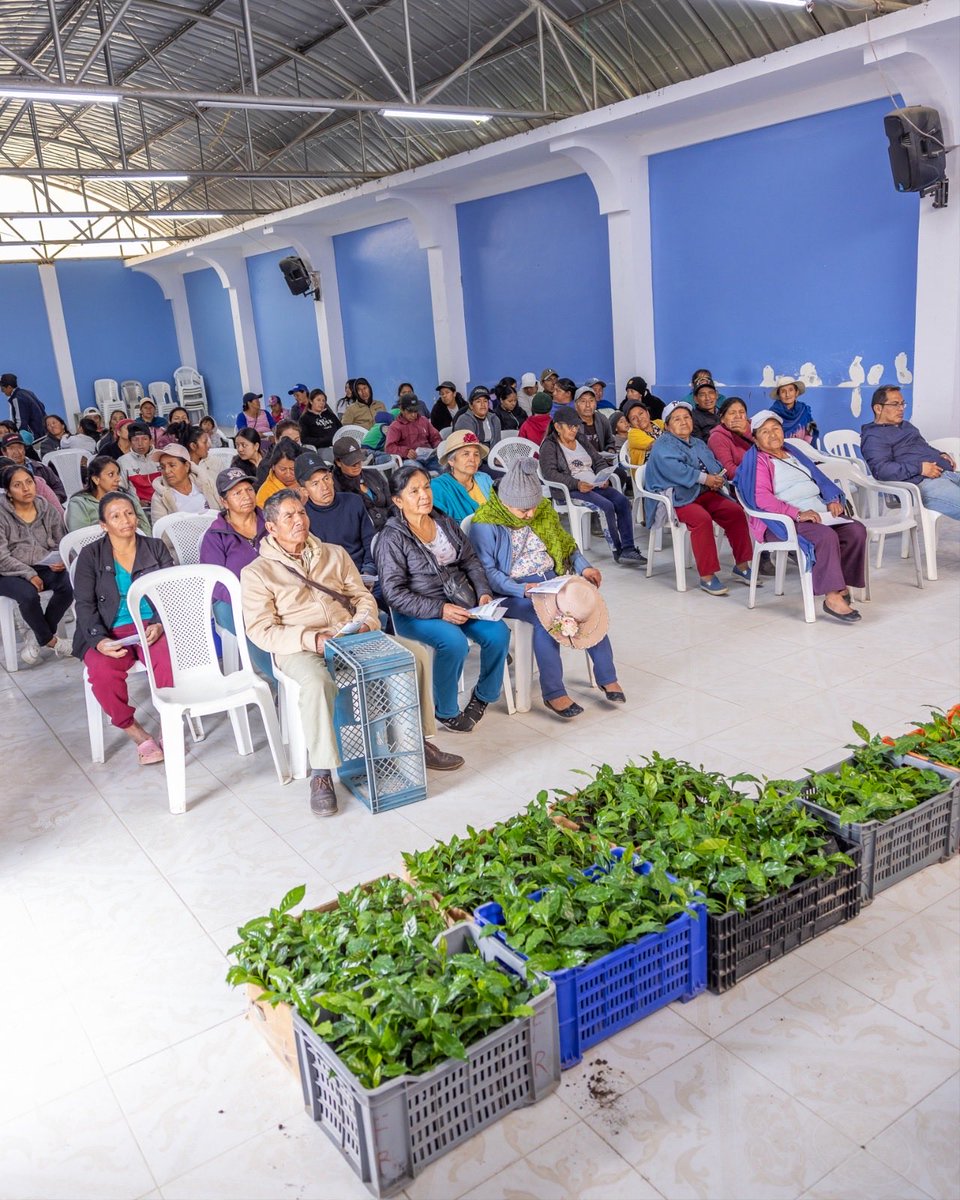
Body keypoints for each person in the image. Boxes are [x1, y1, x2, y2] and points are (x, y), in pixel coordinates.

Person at [242, 489, 462, 814]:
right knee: (318, 684)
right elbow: (261, 630)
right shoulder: (258, 573)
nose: (299, 520)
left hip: (349, 635)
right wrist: (311, 639)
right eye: (288, 516)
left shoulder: (333, 553)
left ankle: (419, 743)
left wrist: (365, 622)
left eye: (301, 513)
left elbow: (361, 595)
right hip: (301, 647)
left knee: (413, 656)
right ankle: (321, 772)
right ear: (271, 527)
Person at [470, 458, 624, 717]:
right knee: (548, 618)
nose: (530, 514)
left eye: (532, 508)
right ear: (506, 502)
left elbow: (564, 542)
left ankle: (607, 676)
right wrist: (522, 590)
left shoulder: (541, 509)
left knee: (587, 605)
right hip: (513, 589)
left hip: (551, 579)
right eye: (522, 511)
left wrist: (584, 566)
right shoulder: (485, 523)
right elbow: (488, 573)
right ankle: (554, 693)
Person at [375, 465, 510, 733]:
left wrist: (483, 592)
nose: (424, 495)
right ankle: (446, 710)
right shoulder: (392, 538)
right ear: (398, 500)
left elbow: (470, 560)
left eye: (426, 487)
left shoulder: (444, 522)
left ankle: (483, 695)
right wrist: (440, 609)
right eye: (414, 491)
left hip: (461, 600)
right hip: (417, 611)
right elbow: (393, 593)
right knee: (454, 643)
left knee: (498, 633)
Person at [736, 411, 868, 622]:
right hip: (781, 522)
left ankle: (841, 586)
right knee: (825, 536)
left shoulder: (793, 452)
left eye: (776, 429)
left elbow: (820, 479)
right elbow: (762, 499)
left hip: (818, 512)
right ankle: (832, 597)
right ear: (756, 439)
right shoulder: (759, 461)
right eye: (765, 431)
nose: (772, 435)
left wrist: (832, 499)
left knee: (855, 530)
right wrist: (797, 513)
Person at [72, 492, 173, 764]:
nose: (125, 520)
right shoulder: (90, 555)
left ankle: (169, 726)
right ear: (104, 525)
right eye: (115, 516)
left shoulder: (154, 547)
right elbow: (83, 604)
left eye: (129, 513)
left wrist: (159, 623)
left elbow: (169, 591)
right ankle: (135, 732)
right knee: (102, 673)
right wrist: (99, 640)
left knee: (168, 661)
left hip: (150, 626)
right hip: (108, 629)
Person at [643, 400, 753, 596]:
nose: (684, 422)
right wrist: (706, 478)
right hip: (677, 496)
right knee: (701, 520)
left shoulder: (697, 442)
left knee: (735, 511)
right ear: (667, 426)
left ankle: (742, 565)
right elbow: (675, 470)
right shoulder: (662, 445)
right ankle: (707, 576)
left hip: (702, 492)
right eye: (677, 419)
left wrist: (718, 477)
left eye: (687, 417)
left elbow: (713, 463)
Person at [538, 407, 643, 563]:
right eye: (570, 426)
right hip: (571, 490)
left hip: (593, 484)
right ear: (558, 427)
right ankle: (618, 551)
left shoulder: (580, 439)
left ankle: (628, 548)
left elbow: (598, 459)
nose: (574, 430)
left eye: (576, 426)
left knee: (622, 501)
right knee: (606, 506)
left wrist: (603, 476)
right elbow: (549, 473)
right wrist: (577, 484)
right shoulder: (549, 445)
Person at [198, 468, 274, 680]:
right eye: (237, 493)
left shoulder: (269, 522)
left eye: (248, 489)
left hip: (275, 592)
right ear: (224, 502)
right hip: (231, 602)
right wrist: (247, 598)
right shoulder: (216, 535)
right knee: (251, 626)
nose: (246, 497)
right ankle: (280, 681)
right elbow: (215, 583)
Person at [0, 463, 74, 664]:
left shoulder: (45, 507)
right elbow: (1, 556)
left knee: (68, 584)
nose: (26, 489)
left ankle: (38, 635)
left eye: (29, 482)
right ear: (8, 491)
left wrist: (61, 559)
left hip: (43, 563)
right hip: (7, 569)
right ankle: (52, 641)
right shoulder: (1, 513)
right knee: (28, 595)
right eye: (18, 485)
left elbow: (61, 540)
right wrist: (28, 573)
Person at [861, 386, 959, 520]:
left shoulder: (906, 426)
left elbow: (924, 447)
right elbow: (881, 470)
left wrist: (940, 454)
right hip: (921, 485)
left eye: (902, 404)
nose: (901, 408)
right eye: (895, 404)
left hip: (946, 474)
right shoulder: (874, 437)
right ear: (878, 408)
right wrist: (920, 468)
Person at [297, 450, 376, 576]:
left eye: (326, 479)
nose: (324, 487)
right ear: (304, 490)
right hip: (329, 579)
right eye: (315, 484)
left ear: (332, 478)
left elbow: (370, 541)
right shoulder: (302, 517)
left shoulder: (353, 501)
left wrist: (369, 571)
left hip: (363, 571)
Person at [66, 454, 150, 534]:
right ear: (96, 479)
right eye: (111, 474)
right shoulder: (80, 504)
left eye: (118, 474)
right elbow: (79, 536)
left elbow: (145, 528)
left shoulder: (127, 499)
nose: (117, 479)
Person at [429, 430, 494, 520]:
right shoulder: (439, 487)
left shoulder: (484, 479)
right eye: (466, 454)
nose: (472, 459)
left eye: (476, 454)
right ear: (451, 461)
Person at [332, 436, 392, 531]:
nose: (356, 465)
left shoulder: (373, 474)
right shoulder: (335, 487)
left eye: (358, 460)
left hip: (389, 527)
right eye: (351, 462)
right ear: (338, 462)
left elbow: (392, 503)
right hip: (365, 532)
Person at [150, 442, 220, 522]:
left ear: (186, 466)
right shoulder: (160, 497)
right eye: (162, 467)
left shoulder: (206, 483)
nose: (167, 471)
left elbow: (221, 510)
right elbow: (161, 529)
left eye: (172, 465)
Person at [0, 431, 66, 504]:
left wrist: (51, 501)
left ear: (24, 449)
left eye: (19, 447)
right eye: (12, 448)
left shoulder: (40, 467)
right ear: (4, 452)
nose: (17, 452)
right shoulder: (2, 473)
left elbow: (59, 489)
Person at [385, 392, 442, 470]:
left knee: (445, 466)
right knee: (418, 472)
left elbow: (435, 437)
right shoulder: (395, 427)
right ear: (401, 409)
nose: (413, 415)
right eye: (410, 411)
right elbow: (389, 448)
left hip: (429, 458)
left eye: (415, 411)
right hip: (409, 460)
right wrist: (406, 452)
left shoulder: (423, 421)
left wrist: (438, 446)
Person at [708, 396, 753, 478]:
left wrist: (746, 432)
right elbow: (729, 470)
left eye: (742, 412)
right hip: (743, 481)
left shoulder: (755, 428)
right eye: (732, 413)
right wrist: (758, 474)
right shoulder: (717, 438)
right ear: (722, 419)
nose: (738, 416)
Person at [118, 422, 161, 507]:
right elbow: (120, 490)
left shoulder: (161, 456)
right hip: (140, 509)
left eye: (144, 439)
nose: (140, 443)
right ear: (130, 442)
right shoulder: (122, 461)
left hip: (164, 503)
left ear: (151, 441)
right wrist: (136, 503)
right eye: (135, 439)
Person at [255, 437, 303, 508]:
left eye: (293, 469)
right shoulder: (265, 493)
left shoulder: (308, 481)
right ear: (273, 466)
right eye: (283, 469)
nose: (288, 474)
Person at [454, 386, 502, 453]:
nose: (483, 404)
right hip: (471, 456)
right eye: (478, 401)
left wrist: (495, 459)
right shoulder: (464, 420)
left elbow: (497, 444)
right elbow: (470, 448)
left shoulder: (494, 419)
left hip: (491, 457)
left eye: (485, 401)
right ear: (471, 405)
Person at [1, 373, 46, 440]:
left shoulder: (16, 398)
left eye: (2, 389)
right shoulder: (29, 393)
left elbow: (20, 422)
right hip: (45, 433)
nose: (2, 392)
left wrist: (17, 439)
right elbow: (42, 406)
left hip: (35, 438)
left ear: (9, 387)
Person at [769, 377, 815, 442]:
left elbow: (812, 429)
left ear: (796, 392)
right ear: (779, 395)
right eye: (783, 391)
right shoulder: (773, 414)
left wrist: (806, 445)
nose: (787, 394)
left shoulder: (804, 410)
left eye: (791, 390)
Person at [573, 386, 615, 454]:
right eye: (583, 401)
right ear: (576, 405)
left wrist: (610, 450)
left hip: (602, 461)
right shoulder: (571, 423)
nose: (588, 405)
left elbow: (610, 441)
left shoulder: (602, 419)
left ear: (595, 404)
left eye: (591, 400)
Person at [185, 425, 217, 494]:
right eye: (205, 442)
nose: (208, 446)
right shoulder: (184, 470)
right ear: (193, 446)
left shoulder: (215, 461)